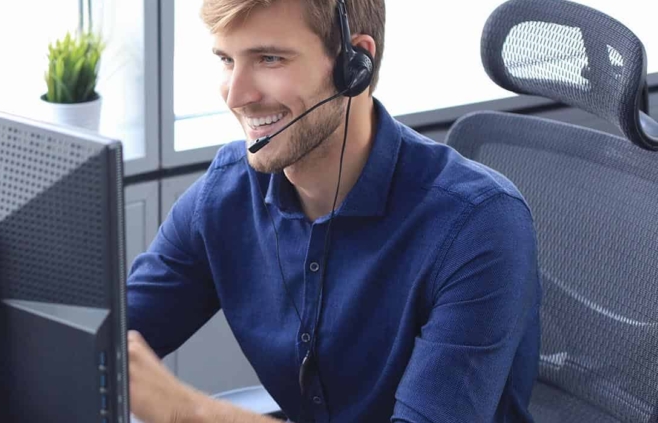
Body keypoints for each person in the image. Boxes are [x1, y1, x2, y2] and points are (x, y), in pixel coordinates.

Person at [124, 0, 541, 422]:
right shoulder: (225, 194)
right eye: (227, 60)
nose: (237, 96)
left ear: (354, 64)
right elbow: (104, 338)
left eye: (269, 58)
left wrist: (184, 411)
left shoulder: (478, 225)